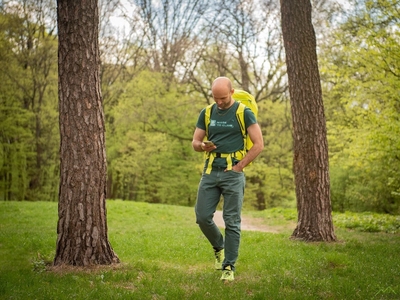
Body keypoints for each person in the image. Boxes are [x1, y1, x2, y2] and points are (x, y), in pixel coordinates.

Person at [192, 77, 264, 281]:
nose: (220, 102)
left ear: (232, 92)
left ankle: (229, 266)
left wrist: (240, 166)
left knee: (232, 221)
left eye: (223, 98)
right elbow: (195, 142)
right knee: (202, 216)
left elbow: (258, 144)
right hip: (210, 171)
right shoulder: (207, 112)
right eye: (216, 98)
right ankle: (219, 247)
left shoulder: (244, 113)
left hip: (233, 174)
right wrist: (201, 146)